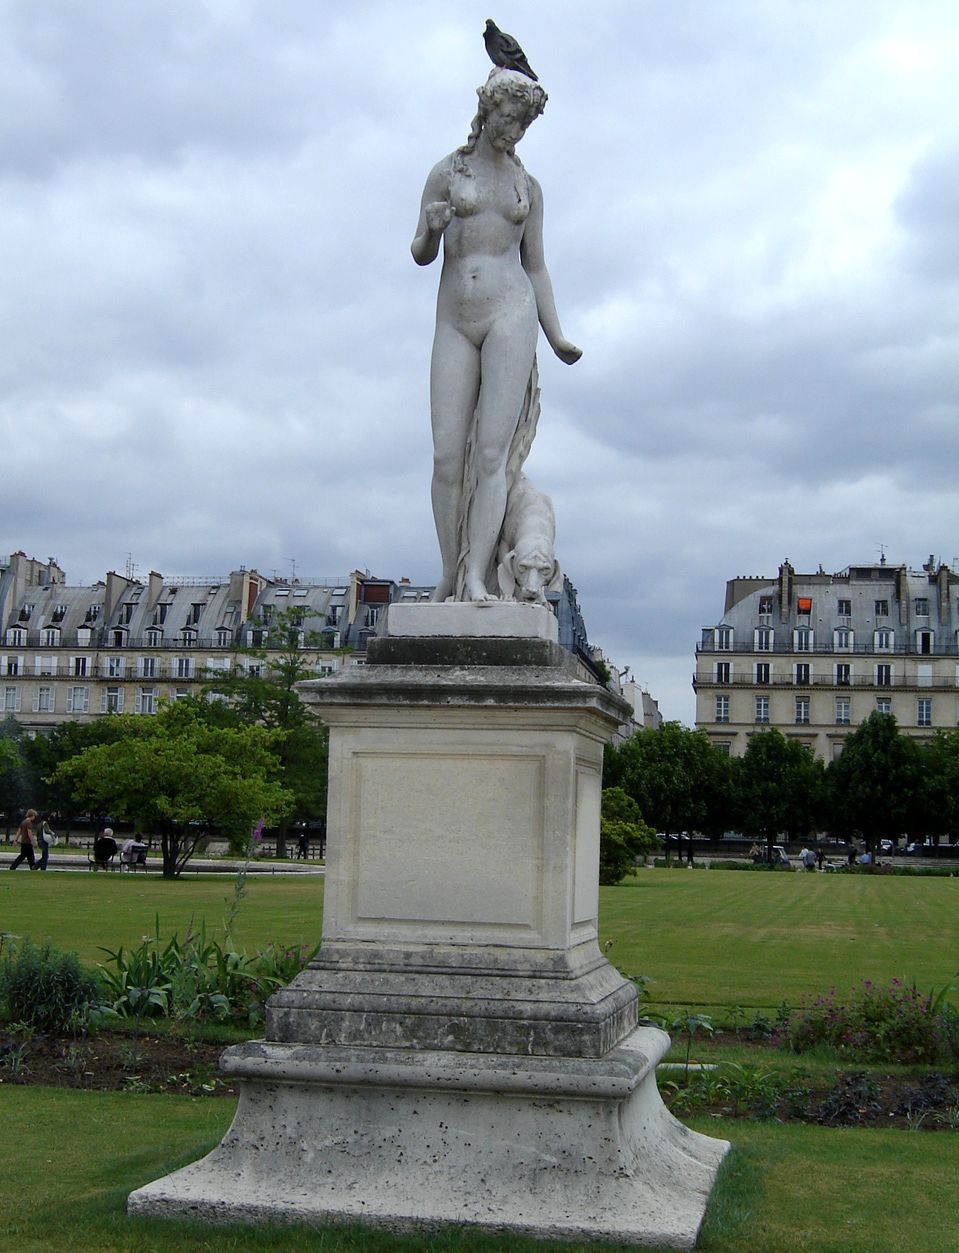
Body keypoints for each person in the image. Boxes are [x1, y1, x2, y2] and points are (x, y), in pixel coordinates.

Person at [412, 68, 581, 603]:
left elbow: (536, 265)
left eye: (524, 124)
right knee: (445, 456)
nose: (515, 130)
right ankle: (448, 572)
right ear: (488, 110)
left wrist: (555, 335)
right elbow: (420, 252)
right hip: (455, 319)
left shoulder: (525, 186)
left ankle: (478, 577)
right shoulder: (447, 171)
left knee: (491, 457)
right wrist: (433, 228)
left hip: (512, 312)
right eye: (509, 118)